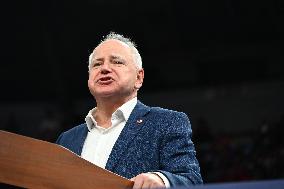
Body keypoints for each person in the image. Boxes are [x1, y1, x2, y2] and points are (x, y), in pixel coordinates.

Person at [56, 32, 203, 188]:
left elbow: (191, 181)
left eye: (117, 62)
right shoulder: (66, 139)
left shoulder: (166, 122)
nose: (104, 68)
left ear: (139, 78)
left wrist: (162, 180)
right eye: (97, 64)